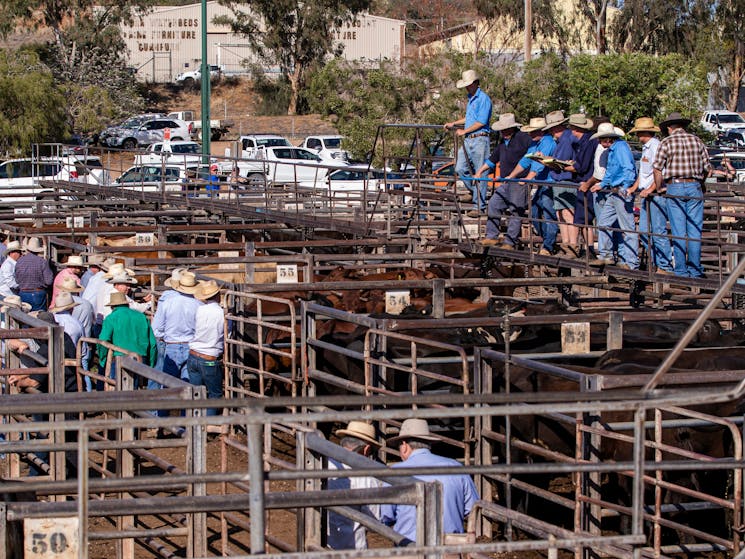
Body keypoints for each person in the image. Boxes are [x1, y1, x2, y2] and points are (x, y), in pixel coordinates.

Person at [380, 419, 478, 546]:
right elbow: (472, 508)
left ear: (404, 446)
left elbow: (386, 516)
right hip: (449, 548)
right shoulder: (455, 467)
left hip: (409, 549)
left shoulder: (395, 473)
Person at [653, 112, 712, 278]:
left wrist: (659, 188)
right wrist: (700, 182)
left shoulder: (666, 142)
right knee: (694, 230)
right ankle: (695, 269)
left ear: (670, 128)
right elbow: (708, 168)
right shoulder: (697, 140)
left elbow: (657, 168)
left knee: (678, 230)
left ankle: (680, 269)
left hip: (675, 186)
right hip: (694, 186)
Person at [473, 113, 531, 248]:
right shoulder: (502, 142)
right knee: (494, 204)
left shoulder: (523, 138)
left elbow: (531, 156)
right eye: (502, 130)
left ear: (513, 128)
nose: (504, 132)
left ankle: (510, 241)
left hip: (518, 181)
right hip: (505, 181)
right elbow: (493, 159)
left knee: (516, 210)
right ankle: (491, 236)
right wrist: (479, 172)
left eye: (506, 129)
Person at [501, 117, 557, 255]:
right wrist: (512, 175)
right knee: (534, 211)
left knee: (549, 213)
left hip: (549, 182)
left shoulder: (548, 142)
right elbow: (525, 161)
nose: (530, 134)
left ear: (540, 131)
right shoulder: (534, 144)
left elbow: (537, 165)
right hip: (541, 182)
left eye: (533, 131)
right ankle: (546, 241)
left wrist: (527, 178)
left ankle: (548, 245)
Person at [150, 271, 201, 415]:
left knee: (167, 386)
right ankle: (187, 425)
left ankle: (163, 422)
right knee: (188, 388)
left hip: (171, 345)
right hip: (191, 346)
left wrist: (165, 337)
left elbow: (156, 328)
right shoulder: (198, 304)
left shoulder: (168, 302)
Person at [626, 117, 673, 274]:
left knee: (658, 230)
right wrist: (634, 188)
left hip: (654, 194)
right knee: (646, 231)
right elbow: (645, 172)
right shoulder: (648, 147)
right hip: (648, 193)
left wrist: (652, 188)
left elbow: (660, 172)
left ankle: (664, 265)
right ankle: (658, 262)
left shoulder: (655, 147)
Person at [589, 123, 639, 269]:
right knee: (603, 222)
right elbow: (611, 172)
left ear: (607, 139)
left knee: (627, 227)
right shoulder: (613, 150)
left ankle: (631, 262)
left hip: (620, 191)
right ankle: (606, 255)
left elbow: (628, 169)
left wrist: (626, 187)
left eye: (601, 139)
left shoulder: (621, 148)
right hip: (614, 191)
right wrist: (602, 184)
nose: (599, 142)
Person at [327, 421, 383, 550]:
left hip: (322, 542)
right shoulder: (367, 478)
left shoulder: (324, 464)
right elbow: (373, 522)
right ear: (366, 449)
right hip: (353, 547)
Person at [444, 69, 493, 216]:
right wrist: (454, 123)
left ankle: (479, 205)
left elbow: (481, 122)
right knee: (460, 168)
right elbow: (470, 119)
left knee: (480, 172)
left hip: (479, 139)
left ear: (476, 83)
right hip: (470, 139)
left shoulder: (483, 99)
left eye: (469, 84)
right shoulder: (471, 99)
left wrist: (464, 131)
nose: (467, 87)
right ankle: (475, 193)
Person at [97, 291, 157, 384]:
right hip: (140, 357)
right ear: (127, 304)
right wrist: (151, 363)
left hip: (119, 358)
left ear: (112, 307)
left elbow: (103, 340)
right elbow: (152, 343)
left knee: (118, 388)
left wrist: (103, 359)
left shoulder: (111, 318)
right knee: (136, 389)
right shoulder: (141, 317)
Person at [187, 280, 224, 417]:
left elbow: (192, 327)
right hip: (209, 357)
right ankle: (207, 426)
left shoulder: (199, 309)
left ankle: (193, 425)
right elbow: (228, 334)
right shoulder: (222, 313)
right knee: (215, 394)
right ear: (218, 295)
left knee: (195, 393)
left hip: (194, 354)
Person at [565, 114, 598, 257]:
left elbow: (582, 166)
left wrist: (564, 167)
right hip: (586, 181)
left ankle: (589, 249)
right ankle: (588, 248)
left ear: (575, 129)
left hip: (586, 182)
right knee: (584, 218)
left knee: (584, 218)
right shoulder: (588, 141)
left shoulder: (588, 142)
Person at [14, 237, 53, 311]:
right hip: (38, 293)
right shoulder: (42, 262)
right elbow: (49, 281)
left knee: (24, 317)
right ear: (38, 250)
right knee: (39, 317)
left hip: (23, 292)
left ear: (28, 249)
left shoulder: (19, 261)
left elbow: (17, 279)